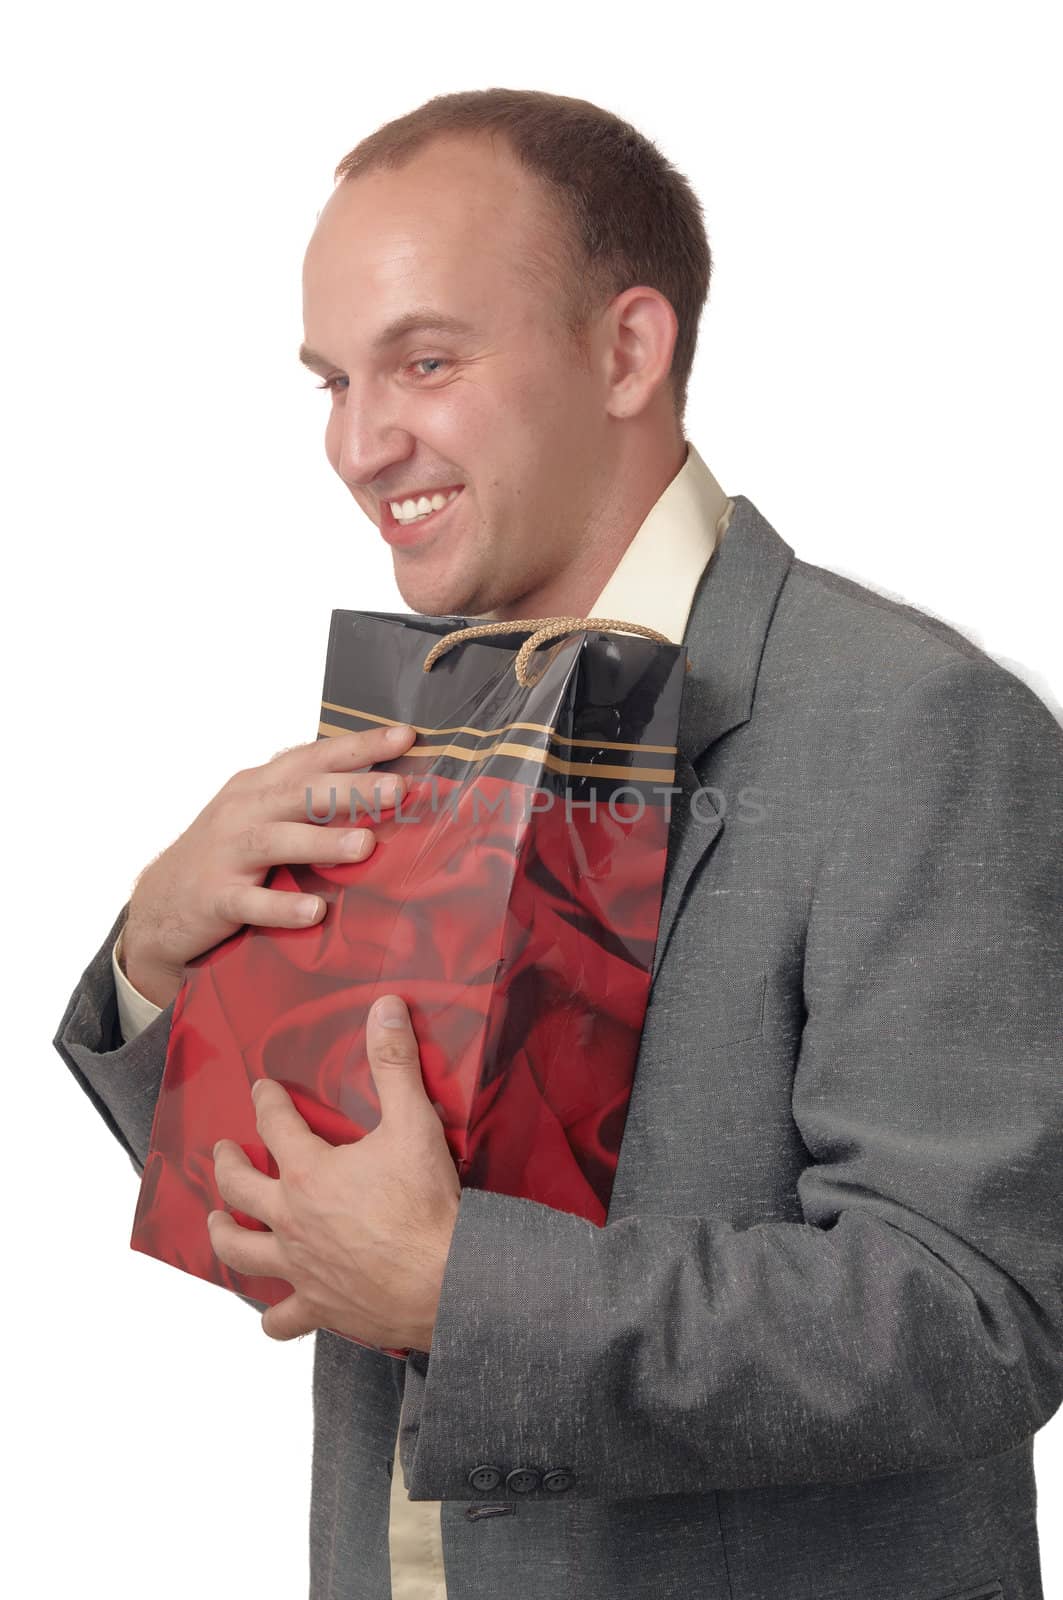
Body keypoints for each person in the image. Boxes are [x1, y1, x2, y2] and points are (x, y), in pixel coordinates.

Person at [53, 87, 1063, 1600]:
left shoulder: (917, 725)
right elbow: (304, 1218)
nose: (358, 440)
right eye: (331, 380)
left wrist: (458, 1290)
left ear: (628, 350)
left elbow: (971, 1307)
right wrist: (157, 954)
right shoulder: (416, 716)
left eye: (426, 362)